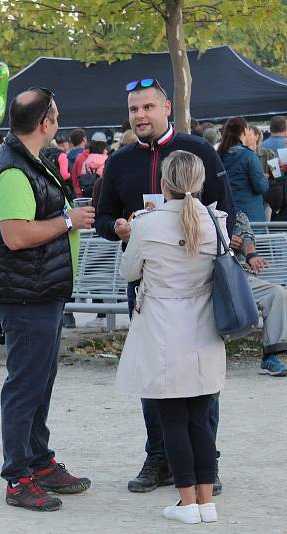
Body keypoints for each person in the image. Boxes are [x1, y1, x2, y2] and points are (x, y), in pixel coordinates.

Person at [96, 77, 233, 495]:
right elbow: (103, 219)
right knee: (154, 377)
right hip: (147, 291)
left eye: (147, 108)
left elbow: (225, 209)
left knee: (199, 377)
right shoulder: (119, 162)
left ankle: (204, 462)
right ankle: (159, 458)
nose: (140, 116)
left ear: (166, 107)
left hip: (199, 290)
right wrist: (117, 228)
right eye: (134, 110)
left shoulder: (200, 150)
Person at [0, 88, 93, 512]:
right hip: (25, 294)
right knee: (25, 387)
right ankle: (18, 477)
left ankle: (39, 462)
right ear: (45, 122)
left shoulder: (25, 160)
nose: (60, 121)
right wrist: (67, 219)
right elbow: (16, 235)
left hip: (39, 290)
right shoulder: (13, 169)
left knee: (38, 384)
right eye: (57, 114)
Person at [117, 150, 225, 525]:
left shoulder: (148, 224)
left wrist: (129, 236)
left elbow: (129, 272)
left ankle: (186, 502)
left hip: (163, 327)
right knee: (200, 419)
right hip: (205, 327)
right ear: (199, 182)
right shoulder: (215, 221)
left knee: (172, 421)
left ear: (164, 183)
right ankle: (207, 501)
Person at [229, 210, 287, 376]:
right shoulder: (195, 212)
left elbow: (247, 237)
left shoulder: (236, 214)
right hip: (207, 279)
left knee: (277, 293)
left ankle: (270, 356)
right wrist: (221, 240)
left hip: (239, 276)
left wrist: (251, 254)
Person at [218, 117, 269, 222]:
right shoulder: (249, 156)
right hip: (250, 215)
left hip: (226, 213)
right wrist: (265, 179)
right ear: (245, 131)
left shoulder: (218, 156)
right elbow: (261, 187)